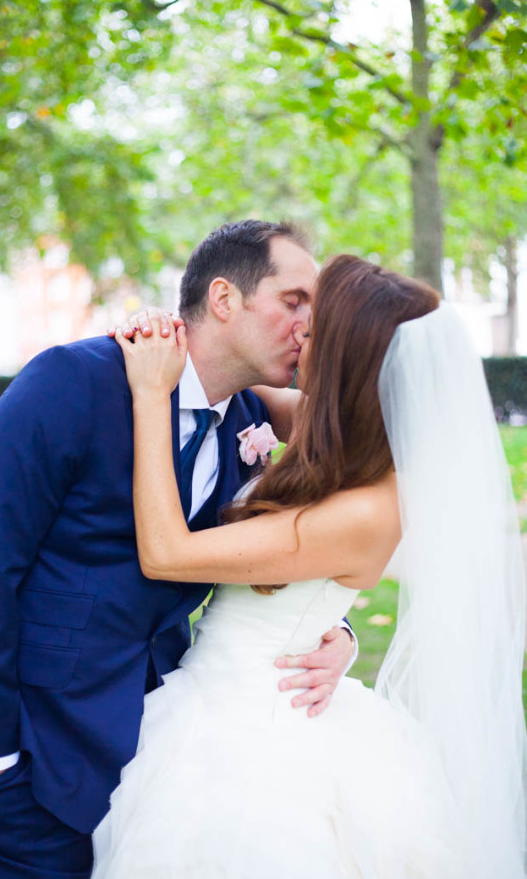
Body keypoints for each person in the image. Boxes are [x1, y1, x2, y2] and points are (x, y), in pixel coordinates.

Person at [0, 220, 357, 878]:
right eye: (295, 301)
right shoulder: (70, 382)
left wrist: (334, 630)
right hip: (38, 755)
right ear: (224, 298)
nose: (309, 325)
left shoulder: (251, 426)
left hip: (166, 752)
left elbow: (280, 553)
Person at [92, 254, 526, 878]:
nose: (300, 330)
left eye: (315, 323)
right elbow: (222, 377)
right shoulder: (338, 434)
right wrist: (166, 330)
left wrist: (149, 396)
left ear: (350, 356)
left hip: (254, 734)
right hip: (222, 693)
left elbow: (168, 554)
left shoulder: (372, 506)